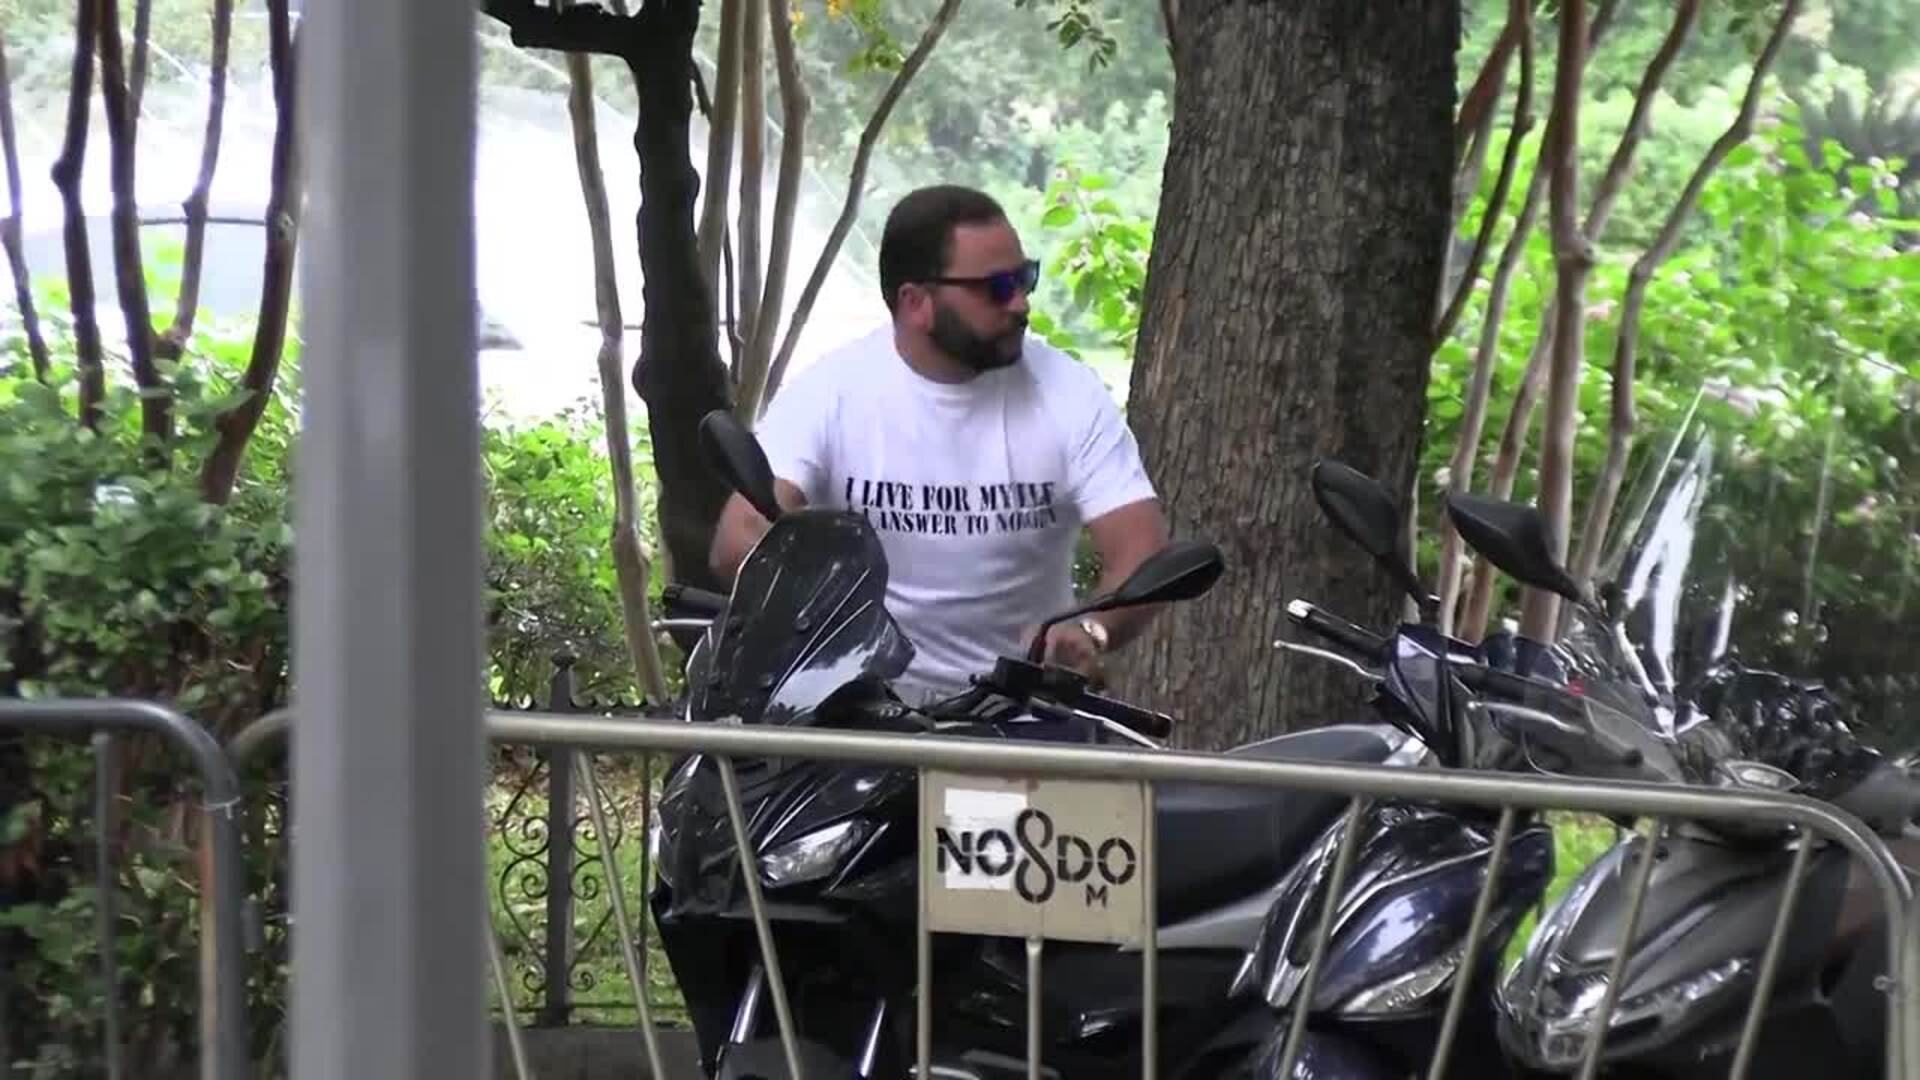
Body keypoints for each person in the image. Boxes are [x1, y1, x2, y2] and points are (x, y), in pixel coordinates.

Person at [709, 184, 1172, 705]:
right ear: (916, 303)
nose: (1021, 303)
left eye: (1025, 278)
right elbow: (740, 537)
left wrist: (1092, 630)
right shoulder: (832, 391)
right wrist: (825, 622)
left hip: (1027, 710)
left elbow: (1142, 549)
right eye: (997, 287)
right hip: (857, 712)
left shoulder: (1067, 392)